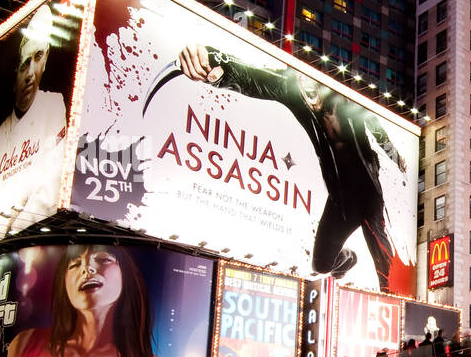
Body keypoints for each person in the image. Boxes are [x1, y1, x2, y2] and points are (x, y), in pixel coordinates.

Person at [173, 44, 412, 290]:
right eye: (300, 79)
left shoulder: (351, 103)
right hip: (340, 200)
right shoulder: (290, 88)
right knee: (320, 265)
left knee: (385, 267)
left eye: (314, 82)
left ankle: (391, 301)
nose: (307, 87)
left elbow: (378, 131)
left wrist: (396, 157)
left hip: (367, 195)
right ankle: (349, 259)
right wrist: (214, 63)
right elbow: (251, 77)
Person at [0, 246, 179, 357]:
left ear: (126, 275)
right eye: (74, 264)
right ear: (63, 281)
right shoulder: (25, 342)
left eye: (103, 259)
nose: (87, 268)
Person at [0, 3, 67, 239]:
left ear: (45, 61)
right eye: (25, 64)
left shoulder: (54, 105)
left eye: (38, 58)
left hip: (33, 237)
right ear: (15, 73)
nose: (31, 74)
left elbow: (51, 188)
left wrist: (14, 227)